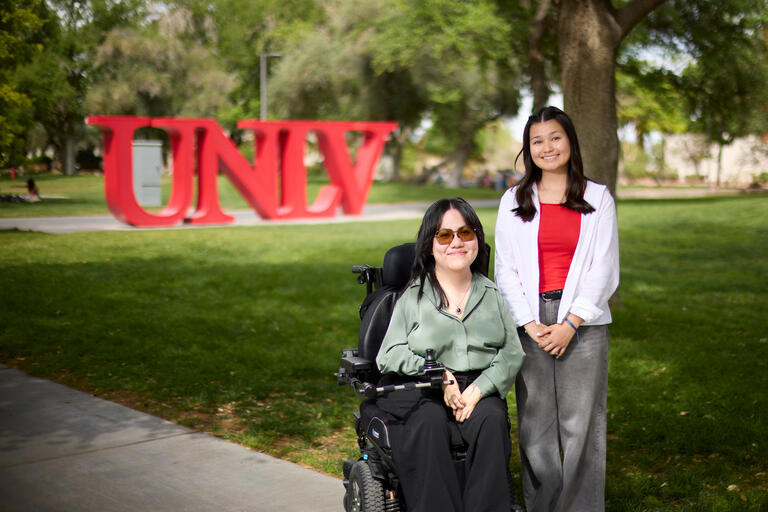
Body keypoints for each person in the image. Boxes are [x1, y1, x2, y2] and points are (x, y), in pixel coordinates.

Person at [494, 106, 620, 512]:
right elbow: (505, 269)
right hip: (529, 324)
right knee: (535, 426)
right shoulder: (513, 200)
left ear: (570, 141)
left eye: (555, 137)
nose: (547, 147)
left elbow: (604, 267)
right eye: (537, 141)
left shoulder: (597, 197)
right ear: (528, 150)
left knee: (582, 425)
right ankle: (543, 506)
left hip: (583, 325)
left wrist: (570, 323)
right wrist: (530, 324)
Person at [376, 197, 525, 512]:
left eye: (465, 233)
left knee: (492, 419)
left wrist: (479, 389)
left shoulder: (492, 296)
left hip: (477, 387)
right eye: (445, 235)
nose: (456, 242)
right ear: (430, 245)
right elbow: (388, 354)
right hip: (424, 386)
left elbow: (512, 352)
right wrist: (438, 376)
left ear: (477, 240)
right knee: (428, 421)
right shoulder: (414, 297)